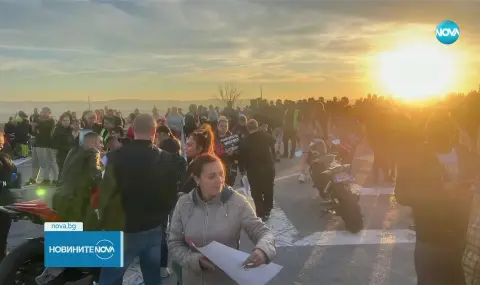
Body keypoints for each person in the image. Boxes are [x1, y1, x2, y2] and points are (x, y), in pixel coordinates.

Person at [168, 153, 276, 285]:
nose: (219, 180)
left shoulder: (238, 202)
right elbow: (174, 243)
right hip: (192, 279)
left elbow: (263, 232)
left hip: (226, 279)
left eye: (221, 174)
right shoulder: (183, 204)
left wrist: (263, 250)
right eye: (211, 176)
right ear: (197, 179)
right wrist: (195, 260)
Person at [395, 112, 475, 285]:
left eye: (447, 132)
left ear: (453, 133)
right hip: (431, 239)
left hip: (465, 240)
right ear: (428, 134)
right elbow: (402, 194)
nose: (443, 138)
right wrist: (443, 192)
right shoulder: (414, 156)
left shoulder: (464, 153)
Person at [98, 114, 178, 285]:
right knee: (152, 276)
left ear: (132, 131)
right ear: (154, 131)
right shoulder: (166, 159)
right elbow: (171, 196)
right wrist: (159, 217)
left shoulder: (115, 157)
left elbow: (105, 195)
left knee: (110, 278)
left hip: (122, 229)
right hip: (153, 228)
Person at [52, 132, 103, 224]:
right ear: (91, 143)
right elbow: (96, 174)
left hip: (61, 196)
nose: (102, 145)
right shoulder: (94, 152)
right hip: (78, 200)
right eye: (100, 142)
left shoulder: (73, 151)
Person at [239, 119, 276, 220]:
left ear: (247, 128)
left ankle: (260, 212)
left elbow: (241, 157)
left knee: (256, 192)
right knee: (268, 188)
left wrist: (242, 170)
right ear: (257, 126)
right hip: (268, 167)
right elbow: (273, 140)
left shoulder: (245, 141)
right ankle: (268, 208)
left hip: (253, 170)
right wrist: (263, 131)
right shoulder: (264, 135)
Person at [178, 125, 215, 194]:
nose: (186, 148)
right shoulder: (194, 163)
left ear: (199, 149)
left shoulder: (200, 169)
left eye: (189, 145)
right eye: (186, 144)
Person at [0, 133, 18, 262]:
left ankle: (3, 257)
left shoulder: (5, 157)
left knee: (2, 234)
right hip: (5, 199)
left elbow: (15, 175)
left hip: (5, 200)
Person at [52, 113, 75, 179]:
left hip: (71, 152)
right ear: (61, 121)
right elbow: (56, 143)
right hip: (62, 153)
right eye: (64, 121)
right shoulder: (58, 130)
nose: (66, 122)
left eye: (68, 120)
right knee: (62, 169)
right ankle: (59, 184)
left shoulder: (71, 130)